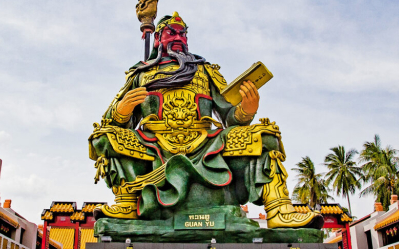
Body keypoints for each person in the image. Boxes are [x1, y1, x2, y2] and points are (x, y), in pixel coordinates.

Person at [89, 12, 322, 229]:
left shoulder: (205, 71)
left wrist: (246, 109)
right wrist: (123, 109)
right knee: (104, 137)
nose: (179, 37)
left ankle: (279, 208)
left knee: (265, 136)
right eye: (172, 32)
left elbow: (230, 117)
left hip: (206, 142)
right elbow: (112, 121)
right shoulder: (140, 74)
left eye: (183, 33)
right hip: (154, 144)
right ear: (158, 38)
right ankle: (127, 202)